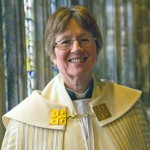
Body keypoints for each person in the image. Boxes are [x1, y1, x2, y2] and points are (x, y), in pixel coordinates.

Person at [1, 5, 150, 150]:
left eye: (85, 39)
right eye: (65, 42)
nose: (77, 48)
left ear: (96, 50)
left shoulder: (130, 107)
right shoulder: (26, 120)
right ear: (53, 55)